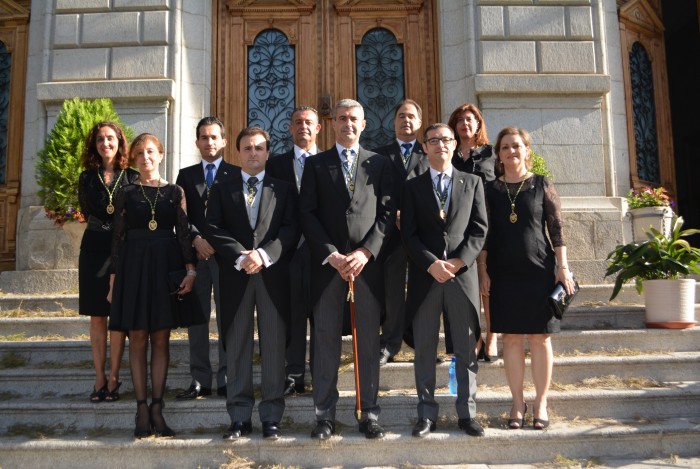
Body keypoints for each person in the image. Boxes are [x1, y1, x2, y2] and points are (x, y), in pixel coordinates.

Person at [299, 99, 395, 440]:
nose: (348, 124)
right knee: (324, 341)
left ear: (364, 124)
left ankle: (368, 413)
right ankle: (323, 415)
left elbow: (386, 213)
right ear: (333, 123)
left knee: (367, 342)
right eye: (342, 118)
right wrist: (333, 255)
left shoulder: (380, 164)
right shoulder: (316, 164)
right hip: (329, 269)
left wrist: (366, 252)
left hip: (366, 269)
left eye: (354, 118)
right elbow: (307, 214)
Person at [478, 127, 575, 430]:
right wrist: (482, 272)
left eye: (516, 146)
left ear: (527, 151)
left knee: (540, 338)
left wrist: (562, 267)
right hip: (503, 273)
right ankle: (517, 402)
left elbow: (556, 228)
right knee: (511, 339)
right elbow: (484, 235)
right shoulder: (490, 190)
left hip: (539, 271)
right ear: (499, 154)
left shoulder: (541, 184)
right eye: (505, 147)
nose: (511, 152)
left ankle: (541, 401)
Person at [108, 133, 204, 438]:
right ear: (134, 160)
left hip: (165, 265)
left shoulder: (175, 191)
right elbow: (118, 240)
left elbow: (184, 233)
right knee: (137, 337)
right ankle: (141, 408)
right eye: (139, 154)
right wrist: (113, 284)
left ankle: (158, 409)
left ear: (161, 155)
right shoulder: (126, 192)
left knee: (160, 338)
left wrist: (190, 271)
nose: (145, 158)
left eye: (150, 152)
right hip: (133, 268)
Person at [205, 126, 298, 440]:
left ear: (268, 153)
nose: (254, 153)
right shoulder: (222, 187)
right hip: (235, 277)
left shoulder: (283, 189)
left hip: (272, 277)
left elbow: (290, 230)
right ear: (238, 153)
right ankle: (240, 417)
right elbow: (213, 227)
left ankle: (271, 416)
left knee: (273, 347)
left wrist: (263, 255)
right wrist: (240, 256)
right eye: (247, 148)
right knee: (237, 347)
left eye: (259, 148)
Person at [401, 123, 488, 438]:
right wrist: (430, 264)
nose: (440, 145)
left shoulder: (473, 182)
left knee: (465, 349)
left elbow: (479, 228)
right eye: (433, 140)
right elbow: (408, 233)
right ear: (425, 147)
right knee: (424, 349)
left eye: (446, 139)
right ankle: (426, 414)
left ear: (455, 144)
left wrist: (458, 261)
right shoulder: (412, 187)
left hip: (460, 278)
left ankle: (467, 414)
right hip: (427, 279)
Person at [175, 116, 240, 400]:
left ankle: (227, 377)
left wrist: (216, 242)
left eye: (215, 137)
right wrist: (196, 239)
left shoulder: (236, 174)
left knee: (229, 318)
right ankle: (200, 378)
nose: (209, 142)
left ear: (224, 141)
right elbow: (180, 215)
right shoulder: (186, 176)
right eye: (204, 137)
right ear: (197, 142)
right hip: (197, 257)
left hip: (226, 259)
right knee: (197, 319)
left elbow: (239, 218)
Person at [78, 122, 139, 403]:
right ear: (95, 145)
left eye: (110, 138)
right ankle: (99, 377)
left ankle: (114, 377)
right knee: (97, 313)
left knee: (118, 314)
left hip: (124, 249)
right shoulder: (86, 178)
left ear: (120, 142)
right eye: (101, 139)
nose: (106, 144)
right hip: (93, 248)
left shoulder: (133, 176)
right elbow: (87, 210)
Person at [266, 105, 321, 395]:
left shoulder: (328, 162)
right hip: (286, 253)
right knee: (293, 314)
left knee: (322, 315)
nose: (303, 127)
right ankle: (294, 374)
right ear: (289, 128)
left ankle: (321, 373)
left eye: (309, 122)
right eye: (298, 122)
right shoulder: (275, 165)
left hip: (322, 252)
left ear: (318, 128)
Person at [371, 99, 429, 365]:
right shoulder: (378, 155)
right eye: (401, 116)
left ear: (419, 123)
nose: (406, 121)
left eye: (411, 117)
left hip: (422, 233)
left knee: (421, 289)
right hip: (390, 233)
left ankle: (421, 342)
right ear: (394, 122)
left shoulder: (430, 153)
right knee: (392, 289)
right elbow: (373, 192)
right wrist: (392, 213)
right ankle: (390, 342)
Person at [446, 103, 500, 361]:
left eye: (470, 120)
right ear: (454, 126)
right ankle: (474, 337)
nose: (465, 124)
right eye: (460, 121)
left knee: (487, 285)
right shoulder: (449, 154)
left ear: (478, 124)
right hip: (459, 229)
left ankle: (492, 336)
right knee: (468, 287)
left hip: (488, 226)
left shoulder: (491, 154)